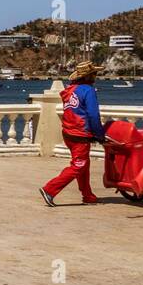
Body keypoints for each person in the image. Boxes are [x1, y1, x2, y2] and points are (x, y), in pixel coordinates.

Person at [40, 61, 106, 206]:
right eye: (94, 73)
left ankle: (88, 195)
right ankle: (50, 189)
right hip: (80, 134)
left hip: (68, 132)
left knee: (83, 164)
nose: (96, 76)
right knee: (79, 164)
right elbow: (93, 115)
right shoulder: (88, 91)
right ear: (89, 76)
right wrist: (99, 134)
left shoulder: (70, 90)